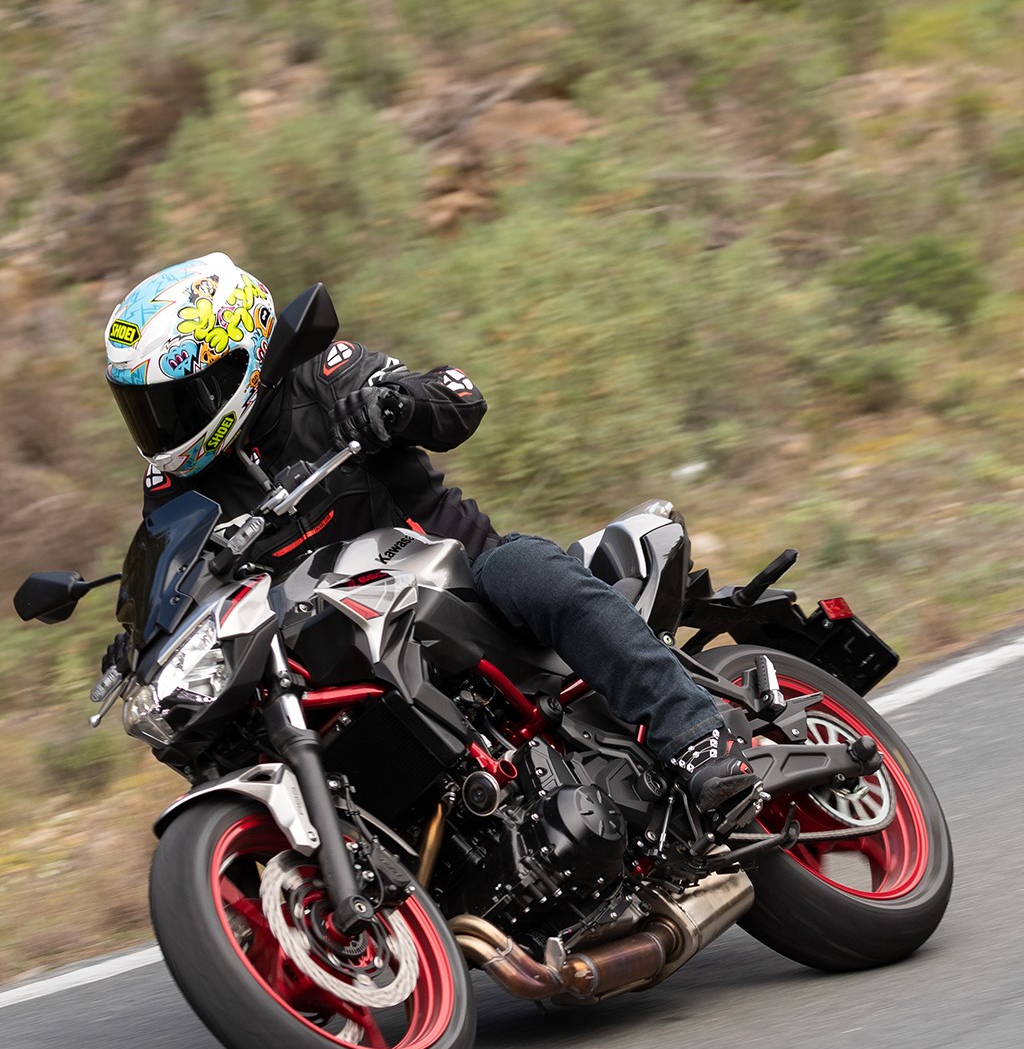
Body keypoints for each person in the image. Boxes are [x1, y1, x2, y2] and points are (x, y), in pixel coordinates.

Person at [103, 252, 759, 820]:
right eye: (148, 409)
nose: (166, 424)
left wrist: (397, 404)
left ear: (241, 359)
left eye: (182, 399)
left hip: (454, 579)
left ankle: (696, 734)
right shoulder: (175, 488)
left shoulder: (323, 376)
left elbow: (459, 395)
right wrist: (142, 637)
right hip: (330, 641)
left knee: (525, 569)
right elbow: (169, 563)